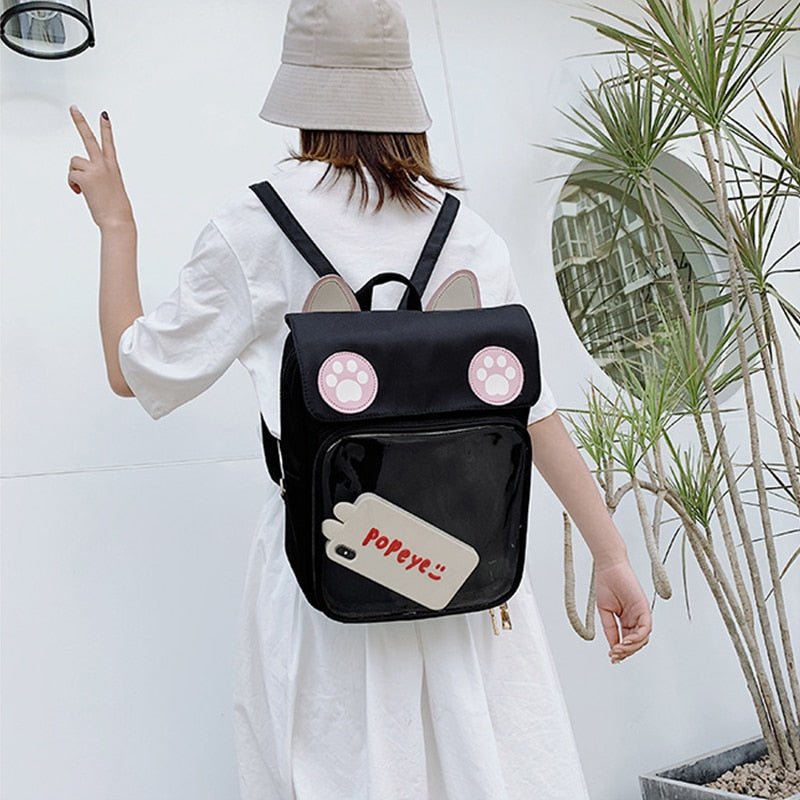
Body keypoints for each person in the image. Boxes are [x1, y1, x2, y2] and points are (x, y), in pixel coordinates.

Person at [67, 1, 652, 797]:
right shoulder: (468, 233)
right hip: (461, 573)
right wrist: (611, 556)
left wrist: (116, 225)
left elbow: (132, 368)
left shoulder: (256, 227)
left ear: (302, 93)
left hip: (328, 570)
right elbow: (532, 410)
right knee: (480, 769)